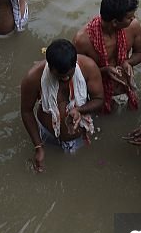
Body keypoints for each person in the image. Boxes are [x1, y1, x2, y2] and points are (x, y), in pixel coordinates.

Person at [19, 39, 103, 171]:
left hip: (81, 133)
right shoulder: (33, 78)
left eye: (69, 75)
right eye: (60, 75)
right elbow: (26, 111)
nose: (65, 79)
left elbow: (99, 99)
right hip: (48, 136)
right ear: (50, 67)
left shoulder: (88, 67)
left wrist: (79, 110)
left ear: (75, 65)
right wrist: (38, 147)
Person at [74, 0, 141, 113]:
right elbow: (77, 75)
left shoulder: (133, 26)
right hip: (98, 92)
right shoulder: (82, 40)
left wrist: (128, 62)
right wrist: (104, 71)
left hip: (125, 86)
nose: (133, 19)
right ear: (115, 22)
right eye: (129, 17)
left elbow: (140, 53)